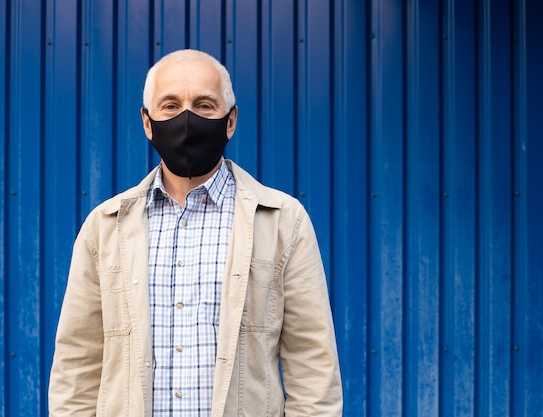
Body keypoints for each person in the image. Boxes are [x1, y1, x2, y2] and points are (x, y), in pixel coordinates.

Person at [48, 49, 342, 416]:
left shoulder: (284, 222)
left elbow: (313, 366)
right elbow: (77, 367)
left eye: (204, 105)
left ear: (230, 120)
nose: (186, 118)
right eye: (170, 106)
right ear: (147, 122)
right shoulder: (105, 227)